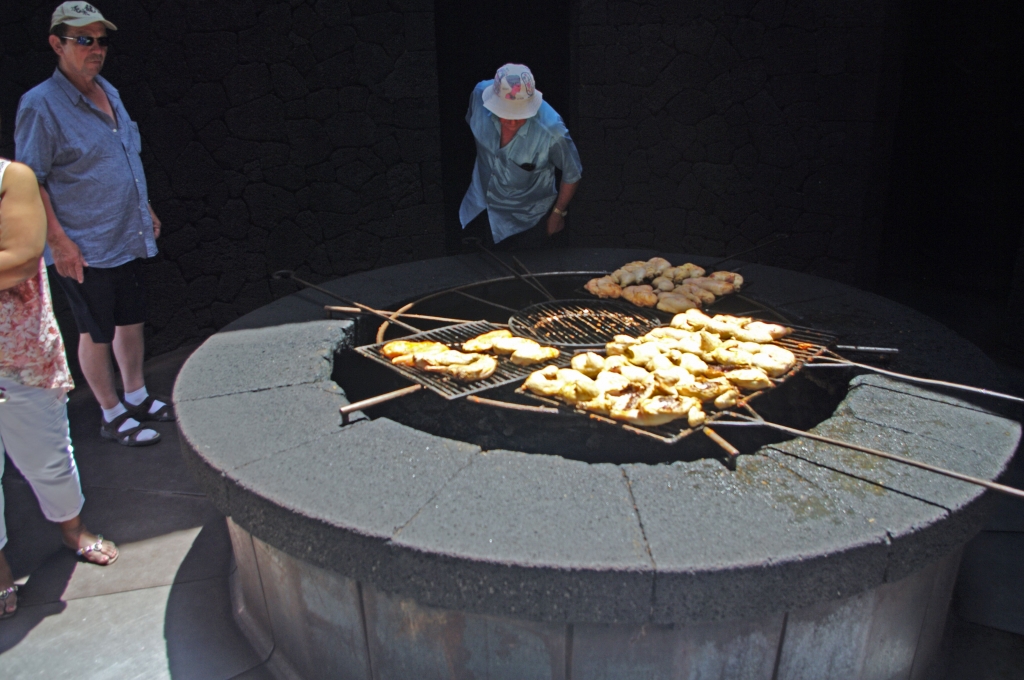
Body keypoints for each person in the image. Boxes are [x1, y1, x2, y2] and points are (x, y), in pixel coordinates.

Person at [15, 2, 172, 447]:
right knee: (96, 330)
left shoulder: (107, 90)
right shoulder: (41, 105)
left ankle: (136, 394)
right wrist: (59, 241)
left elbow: (123, 155)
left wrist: (144, 208)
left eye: (101, 40)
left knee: (130, 320)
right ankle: (111, 412)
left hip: (126, 233)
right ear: (57, 44)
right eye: (83, 40)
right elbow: (29, 180)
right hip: (84, 243)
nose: (95, 48)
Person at [0, 153, 119, 621]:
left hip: (20, 357)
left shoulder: (11, 177)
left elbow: (19, 259)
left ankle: (72, 529)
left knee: (48, 458)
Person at [459, 63, 583, 249]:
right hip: (480, 207)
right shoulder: (478, 95)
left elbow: (573, 173)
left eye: (520, 114)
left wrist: (558, 213)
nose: (513, 121)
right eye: (506, 113)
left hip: (529, 220)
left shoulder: (553, 130)